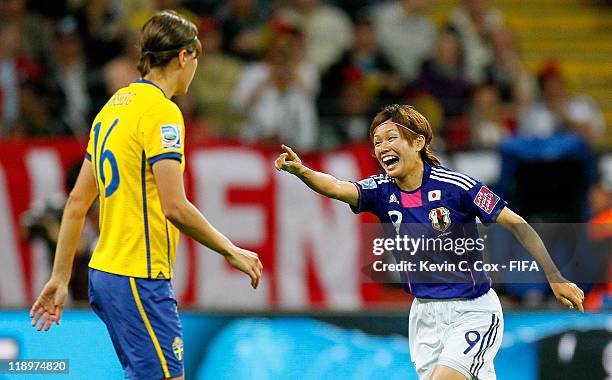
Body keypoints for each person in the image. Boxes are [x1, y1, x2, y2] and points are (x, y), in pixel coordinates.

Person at [30, 11, 263, 380]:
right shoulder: (163, 113)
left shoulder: (113, 107)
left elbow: (77, 202)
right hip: (139, 275)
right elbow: (174, 206)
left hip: (105, 274)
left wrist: (60, 278)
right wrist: (230, 249)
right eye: (196, 58)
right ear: (185, 56)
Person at [274, 104, 584, 380]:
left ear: (418, 142)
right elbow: (338, 188)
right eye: (377, 143)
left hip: (472, 311)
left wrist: (554, 276)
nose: (382, 148)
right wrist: (302, 171)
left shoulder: (457, 185)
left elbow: (516, 223)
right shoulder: (381, 191)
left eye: (391, 138)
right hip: (424, 318)